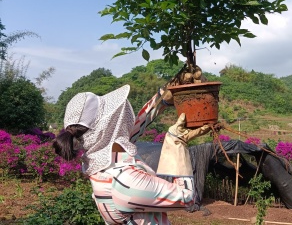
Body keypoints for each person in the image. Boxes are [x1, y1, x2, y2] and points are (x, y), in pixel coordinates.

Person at [53, 83, 210, 224]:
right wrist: (176, 143)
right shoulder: (124, 181)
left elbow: (132, 130)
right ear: (107, 128)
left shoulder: (99, 156)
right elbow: (187, 197)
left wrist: (161, 99)